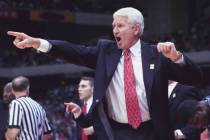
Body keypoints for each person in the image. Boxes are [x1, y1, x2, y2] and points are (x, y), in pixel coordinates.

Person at [7, 7, 203, 140]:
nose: (114, 29)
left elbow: (196, 78)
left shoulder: (156, 54)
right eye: (113, 25)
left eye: (120, 25)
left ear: (136, 29)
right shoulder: (105, 51)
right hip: (116, 132)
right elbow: (74, 51)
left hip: (152, 131)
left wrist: (177, 57)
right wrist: (38, 43)